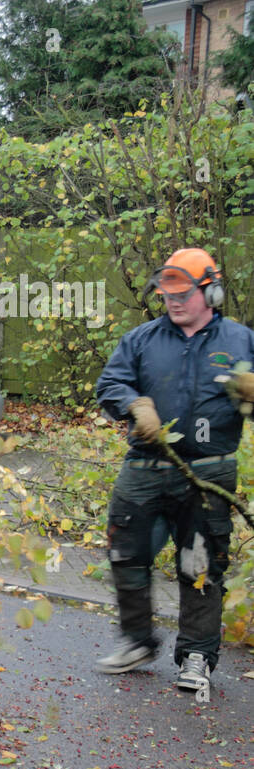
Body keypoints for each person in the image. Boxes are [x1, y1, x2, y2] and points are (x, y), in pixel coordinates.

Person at [94, 248, 254, 693]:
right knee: (126, 553)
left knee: (200, 565)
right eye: (166, 294)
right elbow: (109, 383)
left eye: (183, 293)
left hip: (209, 473)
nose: (173, 302)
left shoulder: (242, 342)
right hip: (144, 467)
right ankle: (137, 641)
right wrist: (132, 403)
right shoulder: (142, 339)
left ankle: (198, 656)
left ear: (212, 291)